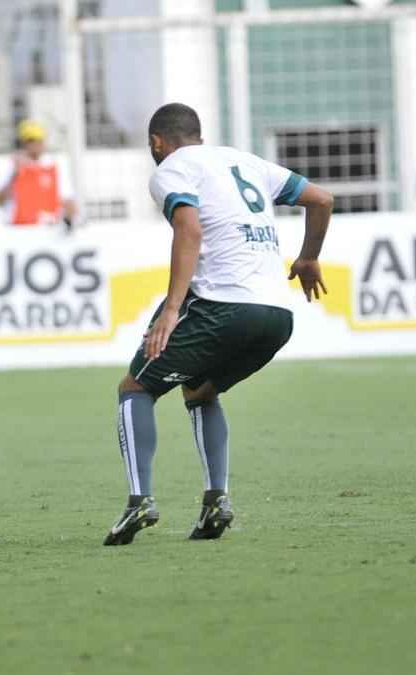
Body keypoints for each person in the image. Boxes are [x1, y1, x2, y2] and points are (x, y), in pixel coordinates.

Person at [103, 103, 334, 546]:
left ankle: (140, 501)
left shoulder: (171, 169)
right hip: (276, 316)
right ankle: (216, 501)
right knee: (201, 390)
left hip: (222, 307)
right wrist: (308, 257)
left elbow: (189, 229)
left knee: (135, 389)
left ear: (156, 143)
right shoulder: (244, 161)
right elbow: (322, 199)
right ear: (200, 136)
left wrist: (171, 309)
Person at [0, 119, 78, 228]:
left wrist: (69, 219)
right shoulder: (9, 166)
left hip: (49, 229)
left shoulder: (54, 167)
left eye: (38, 140)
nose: (35, 144)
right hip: (18, 230)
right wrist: (14, 175)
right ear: (23, 143)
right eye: (31, 140)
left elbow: (68, 201)